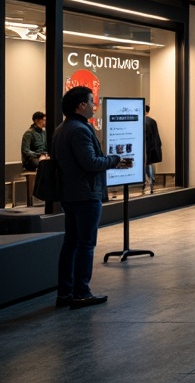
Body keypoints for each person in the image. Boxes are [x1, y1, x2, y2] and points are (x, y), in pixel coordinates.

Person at [54, 86, 133, 307]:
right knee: (86, 244)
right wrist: (114, 160)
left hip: (70, 194)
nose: (93, 106)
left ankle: (65, 292)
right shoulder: (80, 130)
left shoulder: (62, 128)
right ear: (81, 106)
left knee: (70, 243)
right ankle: (81, 292)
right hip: (85, 194)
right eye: (91, 101)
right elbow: (90, 162)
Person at [143, 105, 163, 192]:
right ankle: (152, 180)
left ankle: (149, 180)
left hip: (147, 146)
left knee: (147, 163)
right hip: (154, 145)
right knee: (150, 163)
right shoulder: (153, 121)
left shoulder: (143, 121)